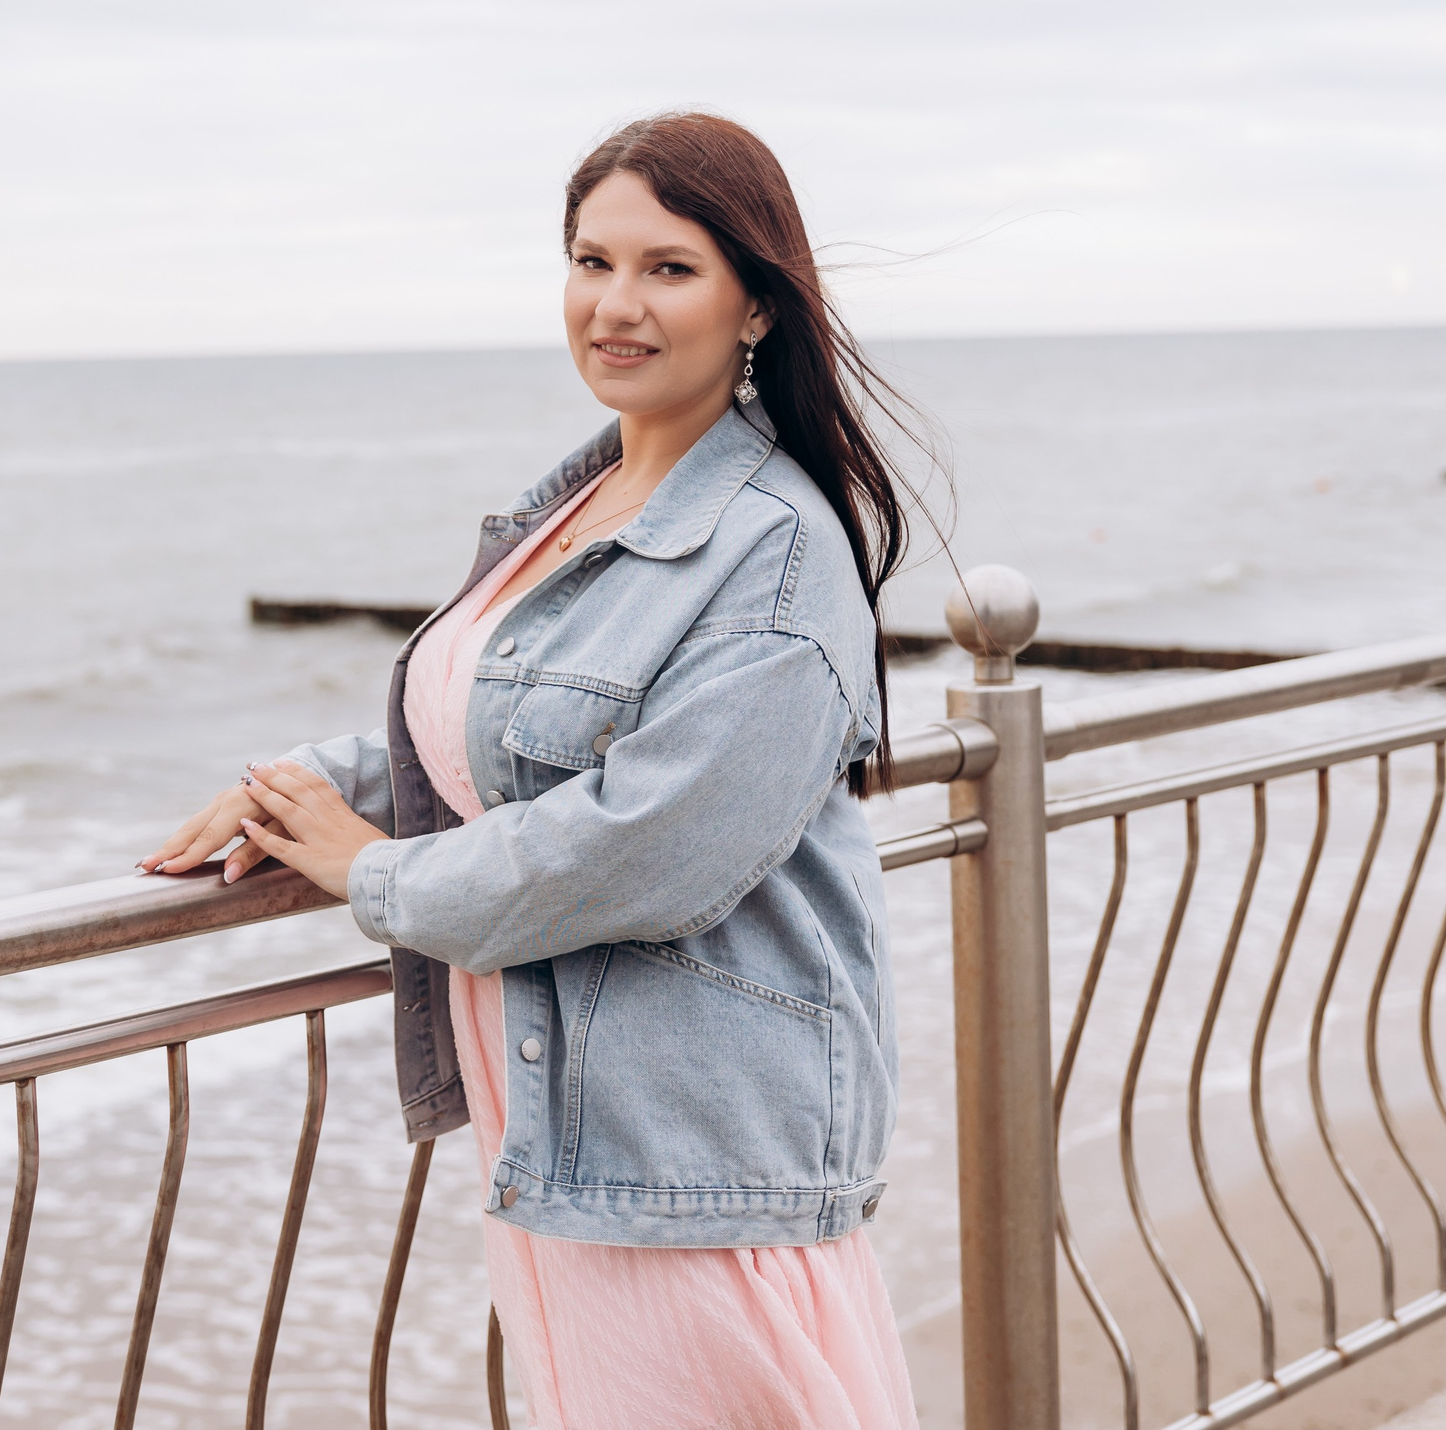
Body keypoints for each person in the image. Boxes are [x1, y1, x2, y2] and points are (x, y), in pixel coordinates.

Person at [142, 112, 922, 1429]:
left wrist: (374, 874)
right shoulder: (576, 502)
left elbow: (648, 846)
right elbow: (506, 730)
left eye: (669, 269)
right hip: (565, 1106)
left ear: (756, 305)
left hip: (691, 1143)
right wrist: (306, 788)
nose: (615, 305)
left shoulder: (778, 551)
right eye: (590, 261)